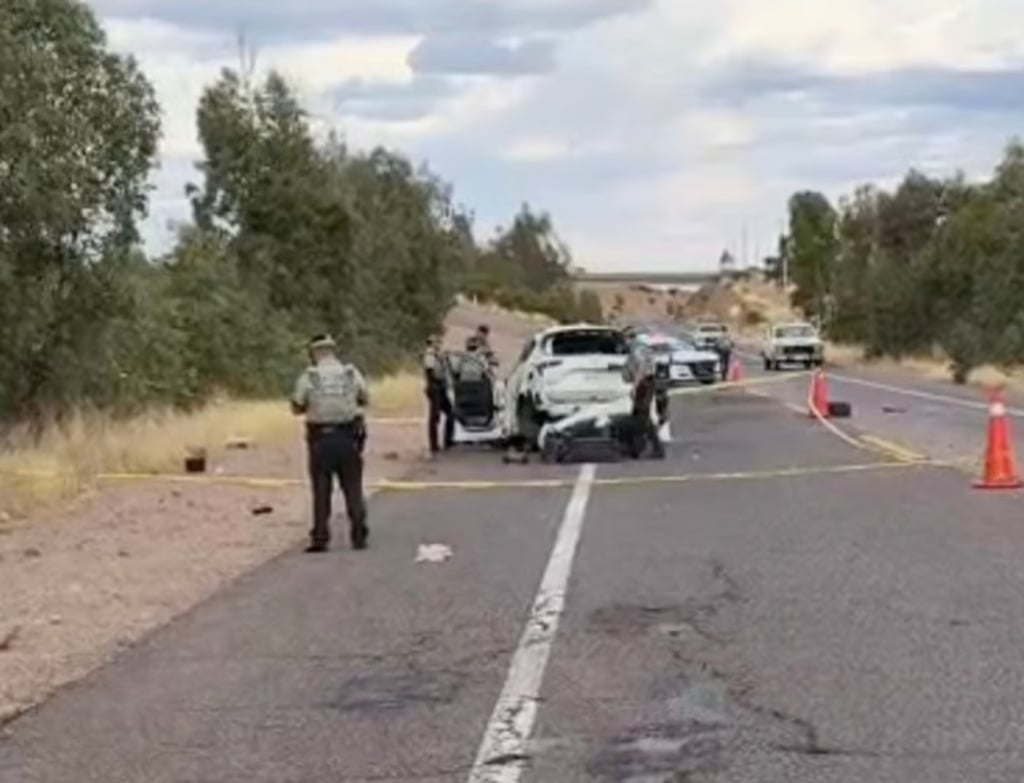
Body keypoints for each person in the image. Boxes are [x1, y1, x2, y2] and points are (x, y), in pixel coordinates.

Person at [290, 334, 370, 553]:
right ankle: (359, 533)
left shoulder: (310, 376)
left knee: (321, 489)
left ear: (314, 353)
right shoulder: (350, 373)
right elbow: (365, 398)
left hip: (320, 439)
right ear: (334, 351)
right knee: (353, 486)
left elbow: (297, 404)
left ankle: (320, 536)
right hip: (348, 436)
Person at [622, 327, 665, 459]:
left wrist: (635, 386)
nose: (625, 342)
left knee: (642, 416)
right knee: (638, 416)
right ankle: (636, 448)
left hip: (644, 384)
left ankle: (656, 448)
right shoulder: (642, 347)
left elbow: (642, 367)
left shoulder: (637, 349)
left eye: (625, 338)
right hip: (646, 382)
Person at [423, 335, 454, 454]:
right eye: (437, 342)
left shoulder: (438, 355)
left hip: (440, 387)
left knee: (449, 413)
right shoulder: (430, 355)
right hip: (435, 387)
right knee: (435, 417)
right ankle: (435, 445)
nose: (439, 344)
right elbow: (430, 371)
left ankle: (446, 442)